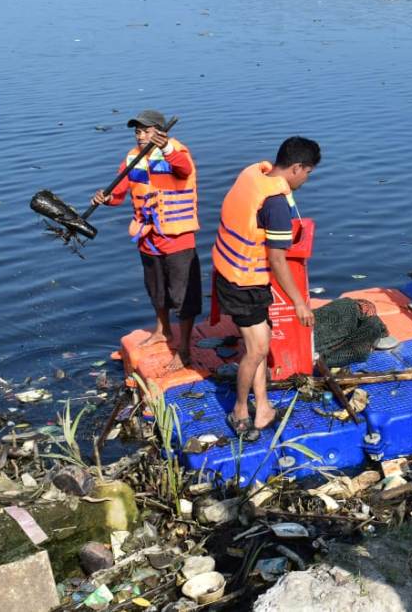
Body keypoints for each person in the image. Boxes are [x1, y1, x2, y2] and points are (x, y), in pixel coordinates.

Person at [212, 137, 319, 440]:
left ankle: (263, 407)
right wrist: (299, 302)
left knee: (258, 342)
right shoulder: (276, 206)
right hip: (243, 282)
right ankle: (240, 411)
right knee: (257, 349)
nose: (306, 179)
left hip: (228, 271)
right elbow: (278, 260)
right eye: (308, 173)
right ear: (296, 168)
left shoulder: (254, 174)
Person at [93, 109, 201, 372]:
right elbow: (118, 193)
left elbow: (184, 170)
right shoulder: (132, 157)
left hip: (177, 238)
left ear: (160, 132)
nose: (140, 135)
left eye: (145, 130)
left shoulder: (177, 151)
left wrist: (166, 149)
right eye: (137, 131)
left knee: (183, 296)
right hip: (148, 238)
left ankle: (185, 349)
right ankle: (162, 331)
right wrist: (105, 198)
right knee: (156, 290)